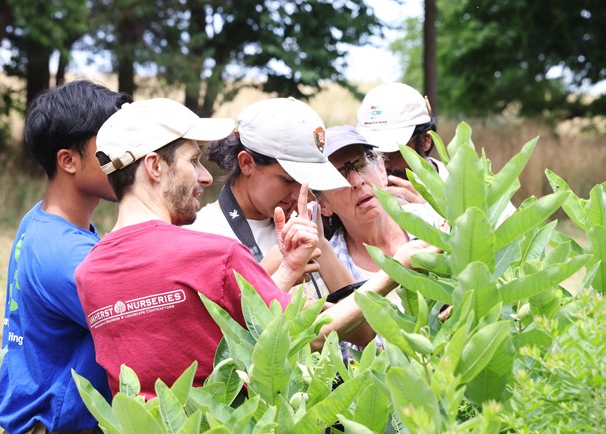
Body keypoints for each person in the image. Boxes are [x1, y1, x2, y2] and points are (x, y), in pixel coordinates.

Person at [74, 98, 437, 398]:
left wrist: (286, 273)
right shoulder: (211, 251)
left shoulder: (87, 272)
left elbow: (220, 332)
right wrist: (399, 266)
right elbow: (310, 334)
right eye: (193, 160)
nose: (204, 176)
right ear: (153, 166)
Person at [0, 80, 132, 434]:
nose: (125, 155)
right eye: (109, 145)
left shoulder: (41, 220)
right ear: (68, 160)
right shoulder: (66, 254)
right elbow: (145, 323)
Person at [189, 97, 355, 298]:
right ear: (246, 163)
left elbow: (364, 329)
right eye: (287, 180)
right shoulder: (202, 235)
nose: (299, 194)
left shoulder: (304, 228)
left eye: (307, 182)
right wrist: (273, 273)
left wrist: (321, 243)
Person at [316, 125, 445, 310]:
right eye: (339, 176)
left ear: (382, 170)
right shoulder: (327, 270)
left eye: (360, 165)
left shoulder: (435, 222)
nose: (356, 182)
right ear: (323, 205)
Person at [356, 82, 516, 220]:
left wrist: (434, 214)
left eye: (394, 151)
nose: (381, 164)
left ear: (426, 140)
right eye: (370, 154)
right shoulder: (358, 195)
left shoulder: (474, 192)